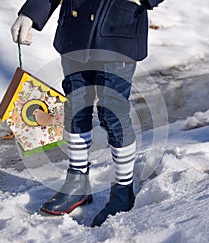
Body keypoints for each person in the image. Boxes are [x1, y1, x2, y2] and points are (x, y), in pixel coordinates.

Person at [11, 0, 164, 227]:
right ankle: (77, 183)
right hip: (75, 30)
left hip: (117, 32)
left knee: (113, 114)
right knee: (75, 108)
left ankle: (123, 191)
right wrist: (30, 14)